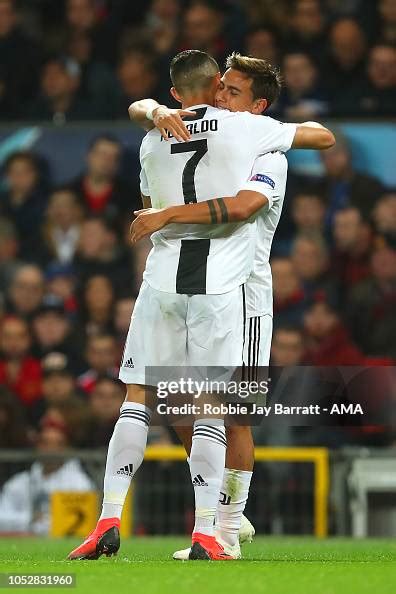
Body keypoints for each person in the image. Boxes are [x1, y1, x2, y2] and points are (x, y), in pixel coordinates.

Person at [68, 49, 333, 562]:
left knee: (229, 414)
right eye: (221, 88)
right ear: (207, 86)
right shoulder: (237, 132)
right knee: (186, 407)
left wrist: (152, 120)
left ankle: (225, 525)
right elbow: (316, 138)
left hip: (242, 291)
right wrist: (153, 110)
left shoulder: (252, 147)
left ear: (256, 104)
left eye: (232, 92)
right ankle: (213, 520)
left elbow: (244, 204)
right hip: (215, 286)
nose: (222, 97)